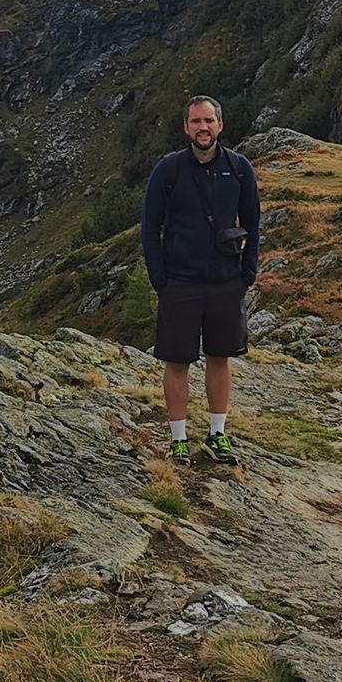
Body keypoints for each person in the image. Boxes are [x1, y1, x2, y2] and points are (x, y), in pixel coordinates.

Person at [141, 93, 261, 461]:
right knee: (177, 361)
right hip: (180, 282)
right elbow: (150, 226)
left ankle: (217, 433)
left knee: (219, 357)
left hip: (226, 281)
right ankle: (178, 439)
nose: (203, 128)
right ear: (186, 128)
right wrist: (159, 277)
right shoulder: (168, 170)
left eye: (209, 121)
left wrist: (247, 273)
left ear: (220, 125)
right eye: (196, 121)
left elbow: (253, 222)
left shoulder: (239, 168)